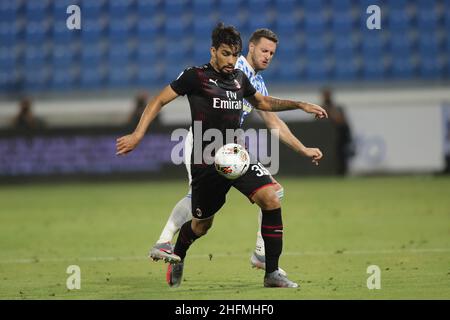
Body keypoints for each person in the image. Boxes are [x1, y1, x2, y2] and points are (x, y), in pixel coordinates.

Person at [116, 23, 328, 288]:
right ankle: (174, 249)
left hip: (235, 152)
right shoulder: (196, 76)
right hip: (205, 152)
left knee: (272, 196)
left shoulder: (242, 78)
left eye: (233, 54)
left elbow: (264, 105)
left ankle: (270, 270)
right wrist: (137, 134)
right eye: (226, 54)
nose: (231, 60)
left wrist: (300, 105)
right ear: (213, 51)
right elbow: (159, 99)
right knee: (202, 223)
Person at [321, 88, 354, 175]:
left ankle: (342, 173)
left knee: (341, 156)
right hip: (327, 138)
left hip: (340, 137)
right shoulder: (320, 108)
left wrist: (330, 112)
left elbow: (341, 121)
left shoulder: (337, 108)